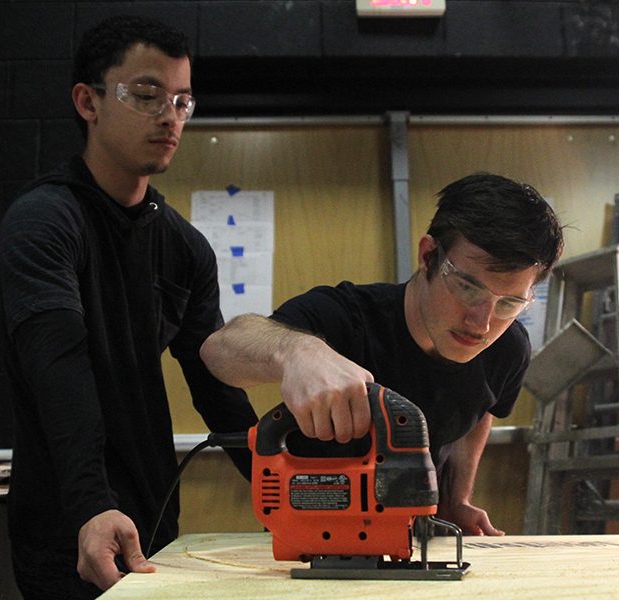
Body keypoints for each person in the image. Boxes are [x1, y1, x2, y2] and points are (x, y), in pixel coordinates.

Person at [0, 15, 257, 599]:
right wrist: (92, 505)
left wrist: (287, 489)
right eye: (146, 95)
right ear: (88, 102)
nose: (170, 116)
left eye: (183, 100)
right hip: (70, 530)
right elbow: (57, 369)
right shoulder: (44, 221)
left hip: (157, 524)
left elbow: (217, 390)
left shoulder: (184, 248)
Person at [200, 172, 564, 537]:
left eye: (510, 303)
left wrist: (457, 500)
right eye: (468, 288)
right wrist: (296, 350)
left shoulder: (508, 348)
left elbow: (480, 411)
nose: (482, 323)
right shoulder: (347, 316)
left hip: (413, 532)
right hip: (309, 533)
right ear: (428, 256)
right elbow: (219, 350)